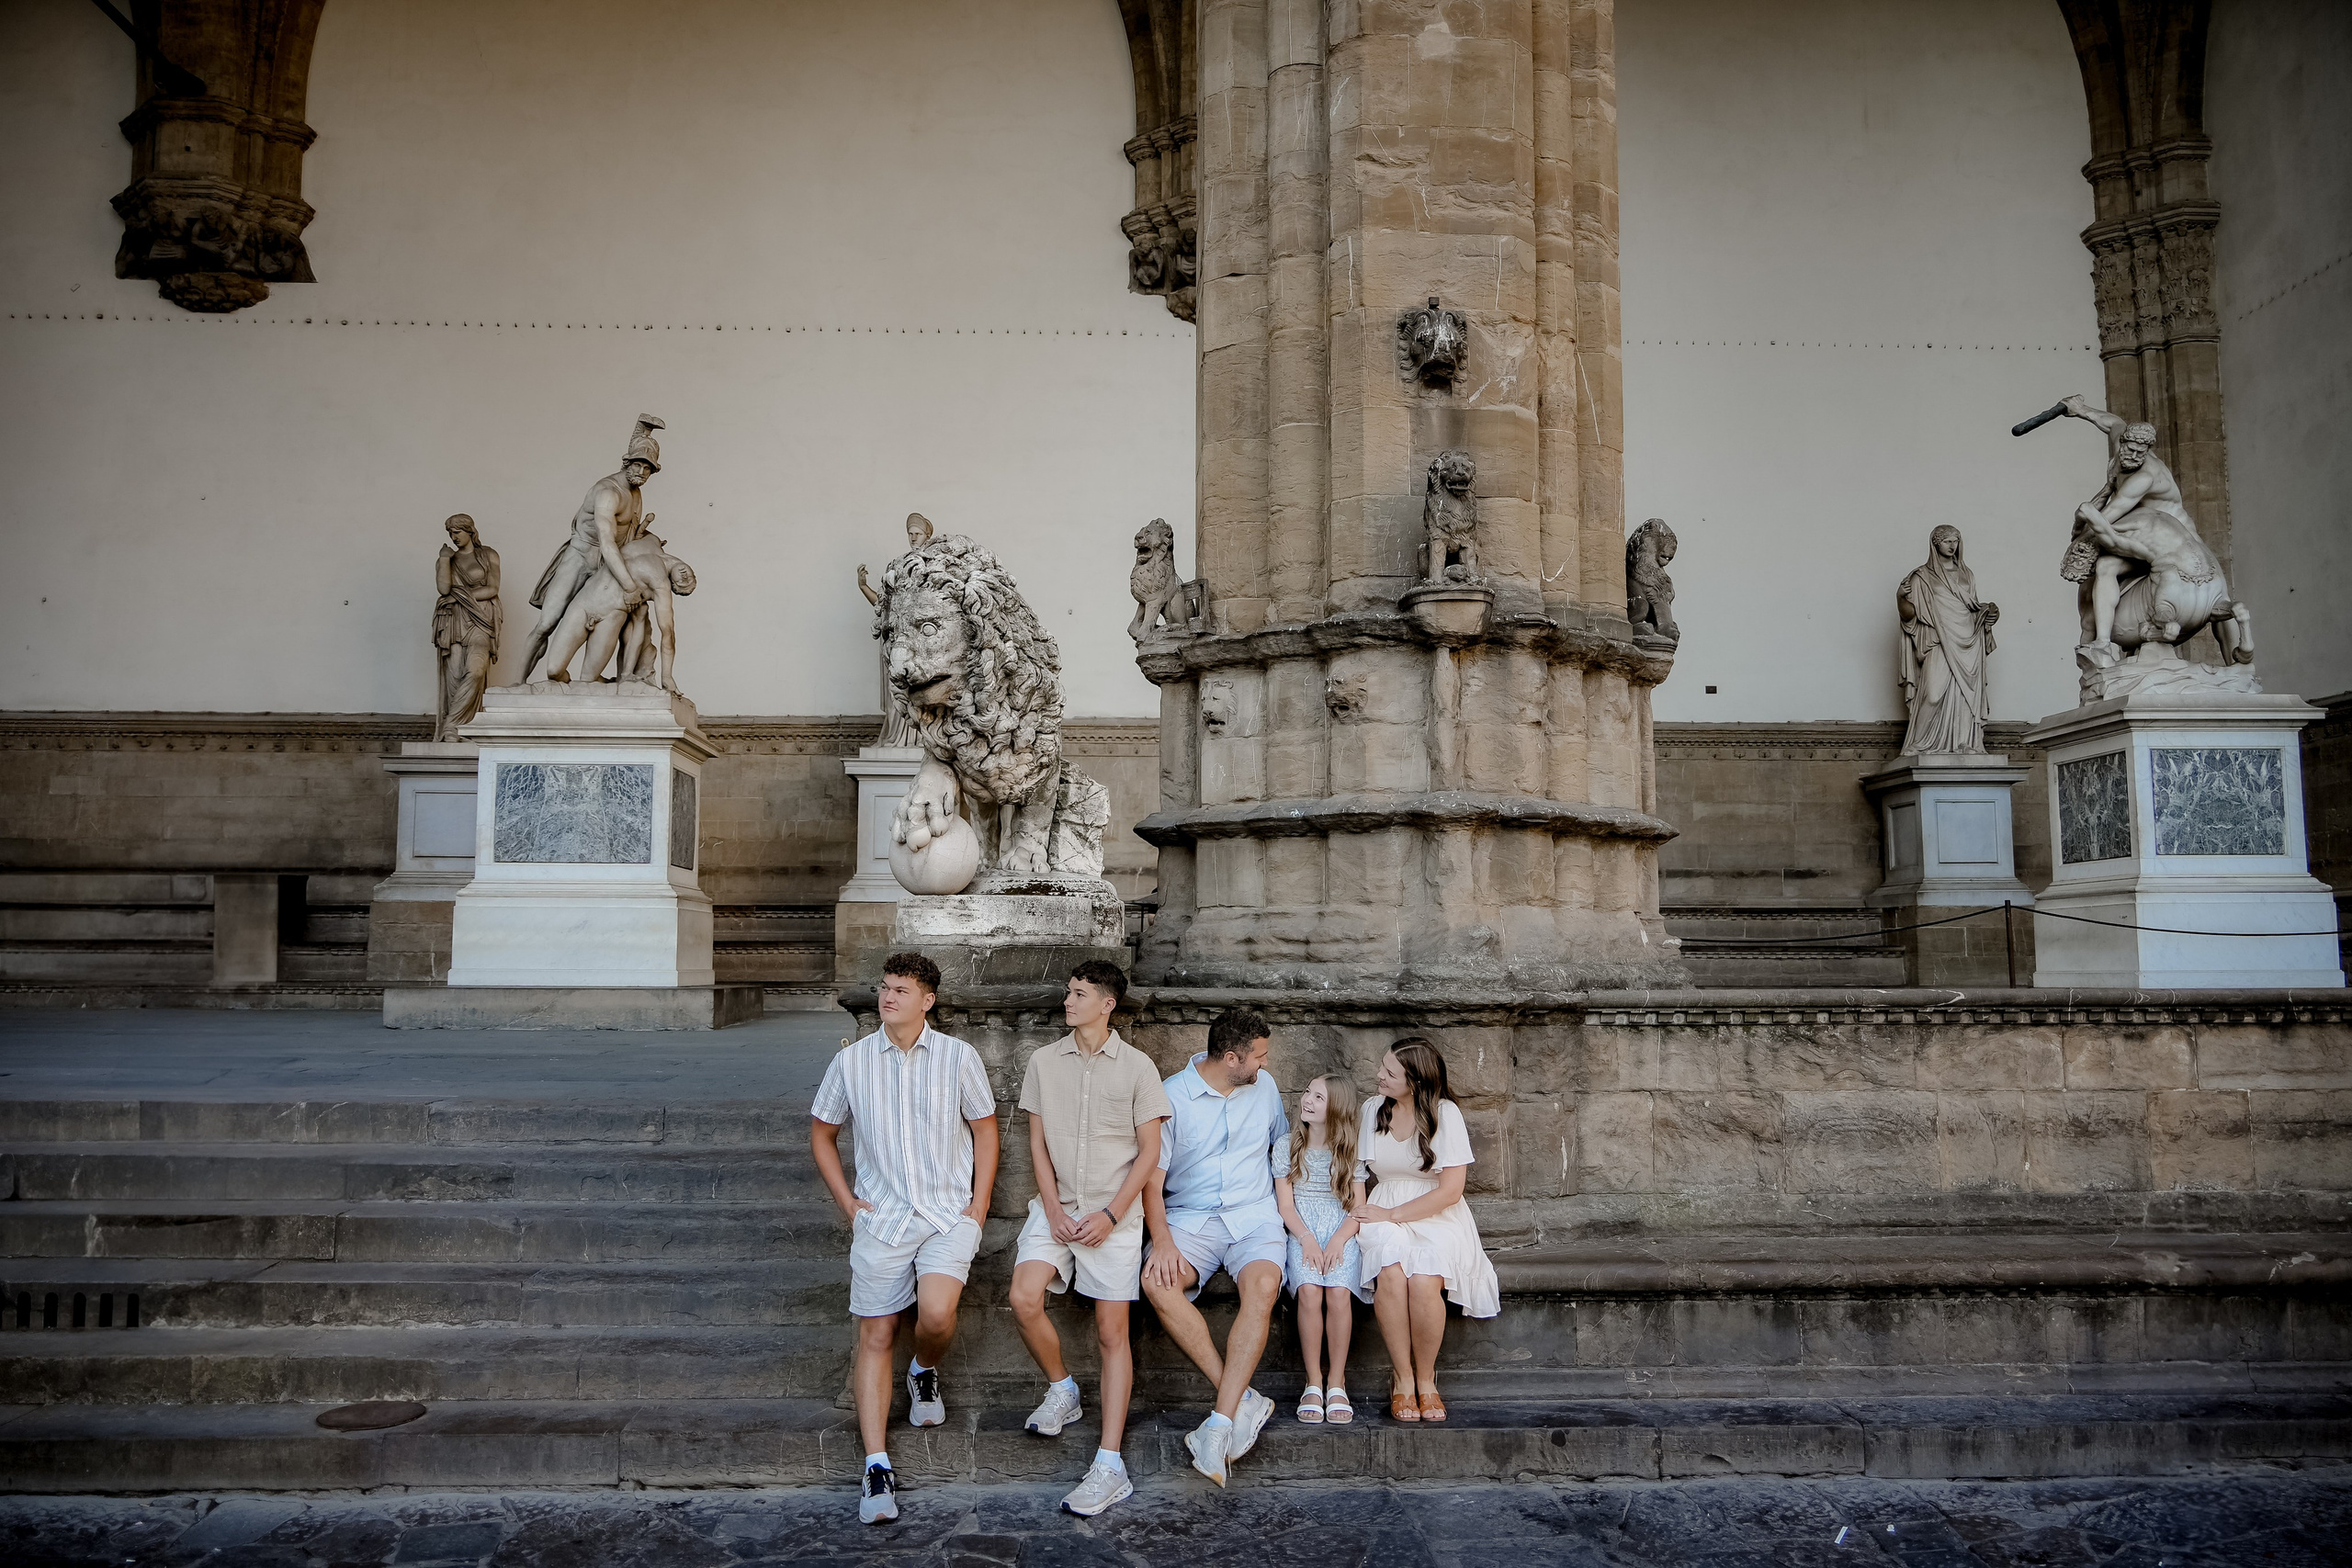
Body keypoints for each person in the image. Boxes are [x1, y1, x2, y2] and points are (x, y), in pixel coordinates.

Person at [808, 952, 999, 1525]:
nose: (888, 998)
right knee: (876, 1332)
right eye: (885, 988)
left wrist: (979, 1206)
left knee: (936, 1316)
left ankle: (922, 1370)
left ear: (927, 1001)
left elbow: (985, 1131)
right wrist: (848, 1204)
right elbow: (822, 1134)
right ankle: (876, 1465)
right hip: (882, 1217)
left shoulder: (959, 1057)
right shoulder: (852, 1062)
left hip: (946, 1214)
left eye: (901, 990)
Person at [1008, 959, 1170, 1517]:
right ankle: (1063, 1388)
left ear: (1108, 1004)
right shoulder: (1043, 1061)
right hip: (1057, 1208)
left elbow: (1150, 1152)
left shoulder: (1139, 1067)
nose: (1068, 1000)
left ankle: (1110, 1463)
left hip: (1114, 1216)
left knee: (1110, 1333)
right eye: (1068, 991)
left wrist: (1112, 1213)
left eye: (1079, 993)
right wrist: (1053, 1209)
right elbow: (1037, 1144)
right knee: (1023, 1297)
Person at [1141, 1008, 1289, 1485]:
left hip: (1254, 1216)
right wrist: (1162, 1241)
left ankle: (1220, 1424)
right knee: (1156, 1283)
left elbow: (1283, 1153)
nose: (1265, 1064)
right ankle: (1242, 1396)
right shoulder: (1170, 1096)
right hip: (1191, 1219)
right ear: (1230, 1058)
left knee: (1263, 1286)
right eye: (1258, 1056)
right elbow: (1151, 1181)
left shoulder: (1264, 1089)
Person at [1354, 1038, 1498, 1424]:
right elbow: (1355, 1173)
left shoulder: (1445, 1114)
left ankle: (1426, 1379)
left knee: (1424, 1277)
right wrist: (1366, 1214)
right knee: (1390, 1268)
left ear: (1416, 1082)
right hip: (1382, 1207)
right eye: (1382, 1066)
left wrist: (1394, 1214)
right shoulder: (1372, 1109)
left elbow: (1451, 1191)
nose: (1379, 1076)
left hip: (1435, 1211)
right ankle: (1402, 1378)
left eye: (1389, 1072)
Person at [520, 414, 664, 681]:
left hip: (609, 563)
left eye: (648, 469)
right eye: (638, 465)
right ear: (626, 462)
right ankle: (519, 682)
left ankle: (625, 678)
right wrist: (629, 586)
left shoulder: (635, 493)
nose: (642, 473)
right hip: (582, 557)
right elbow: (607, 541)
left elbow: (624, 536)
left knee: (634, 616)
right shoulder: (608, 492)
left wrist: (648, 542)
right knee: (547, 623)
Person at [1273, 1072, 1363, 1427]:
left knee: (1338, 1292)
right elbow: (1285, 1206)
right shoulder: (1287, 1146)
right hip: (1302, 1230)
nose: (1307, 1100)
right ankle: (1313, 1381)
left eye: (1318, 1097)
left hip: (1341, 1229)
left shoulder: (1351, 1151)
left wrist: (1339, 1239)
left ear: (1336, 1109)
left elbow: (1358, 1208)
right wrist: (1306, 1238)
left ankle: (1337, 1381)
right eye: (1308, 1092)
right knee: (1310, 1291)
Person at [1895, 525, 1997, 756]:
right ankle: (1919, 743)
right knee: (1933, 694)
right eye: (1947, 541)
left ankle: (1964, 743)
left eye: (1956, 541)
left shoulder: (1966, 574)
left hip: (1968, 641)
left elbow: (1973, 608)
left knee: (1965, 695)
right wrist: (1900, 597)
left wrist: (1990, 614)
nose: (1952, 546)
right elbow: (1910, 616)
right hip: (1939, 640)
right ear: (1935, 544)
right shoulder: (1922, 577)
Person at [432, 513, 500, 741]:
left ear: (469, 530)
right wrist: (444, 559)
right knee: (455, 677)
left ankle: (451, 726)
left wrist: (459, 596)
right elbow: (444, 589)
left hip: (480, 618)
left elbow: (492, 589)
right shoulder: (446, 560)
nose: (454, 537)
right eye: (450, 533)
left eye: (457, 532)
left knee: (475, 671)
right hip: (453, 620)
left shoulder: (488, 555)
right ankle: (455, 730)